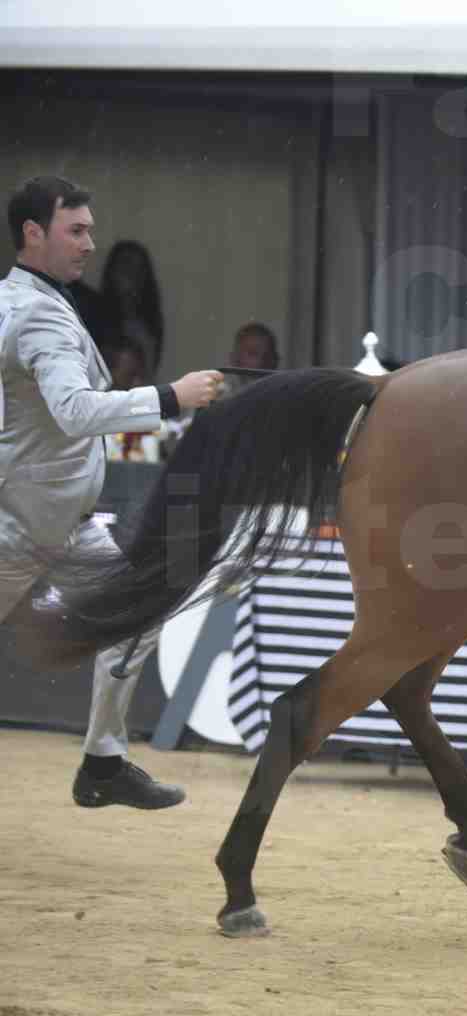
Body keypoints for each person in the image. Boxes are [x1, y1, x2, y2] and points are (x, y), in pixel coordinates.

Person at [1, 176, 224, 809]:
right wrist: (168, 398)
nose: (90, 243)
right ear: (33, 233)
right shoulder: (40, 312)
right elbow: (74, 410)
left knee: (141, 608)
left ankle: (103, 760)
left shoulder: (29, 299)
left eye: (90, 229)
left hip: (58, 523)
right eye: (77, 229)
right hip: (18, 523)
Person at [89, 240, 165, 378]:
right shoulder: (94, 319)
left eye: (138, 268)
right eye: (125, 266)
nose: (130, 275)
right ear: (112, 271)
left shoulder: (149, 323)